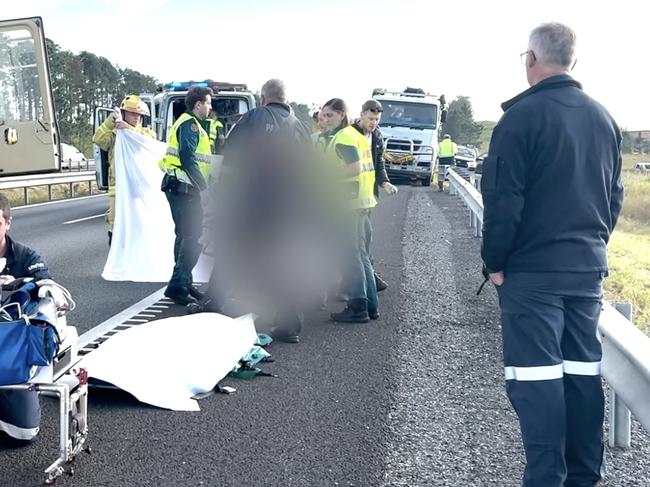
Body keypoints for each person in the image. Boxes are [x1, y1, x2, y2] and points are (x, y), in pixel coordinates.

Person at [481, 22, 624, 487]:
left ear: (530, 60)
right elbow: (613, 198)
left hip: (532, 276)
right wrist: (591, 249)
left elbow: (504, 202)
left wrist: (496, 264)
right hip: (586, 273)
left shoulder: (521, 118)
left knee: (537, 381)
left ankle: (545, 479)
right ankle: (584, 477)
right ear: (574, 62)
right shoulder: (603, 119)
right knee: (583, 379)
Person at [190, 79, 314, 344]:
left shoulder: (254, 118)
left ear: (263, 97)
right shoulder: (300, 127)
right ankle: (291, 323)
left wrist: (223, 194)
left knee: (231, 252)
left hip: (252, 202)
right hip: (287, 207)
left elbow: (232, 157)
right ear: (285, 97)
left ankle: (215, 302)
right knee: (282, 261)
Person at [320, 98, 378, 323]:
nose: (325, 120)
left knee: (350, 255)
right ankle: (371, 305)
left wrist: (326, 177)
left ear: (342, 115)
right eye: (323, 116)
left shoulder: (343, 137)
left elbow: (353, 168)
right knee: (361, 255)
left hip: (347, 202)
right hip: (362, 201)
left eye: (330, 116)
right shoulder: (358, 136)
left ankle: (357, 306)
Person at [0, 193, 50, 444]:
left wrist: (21, 287)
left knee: (23, 433)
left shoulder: (27, 257)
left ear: (7, 222)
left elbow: (48, 289)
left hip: (10, 353)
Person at [159, 86, 214, 306]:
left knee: (184, 236)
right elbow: (187, 157)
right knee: (194, 237)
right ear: (198, 104)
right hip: (184, 188)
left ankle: (184, 283)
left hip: (179, 187)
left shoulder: (189, 123)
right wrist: (204, 188)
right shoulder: (190, 125)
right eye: (208, 103)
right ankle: (178, 285)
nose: (210, 107)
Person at [92, 95, 156, 246]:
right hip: (118, 186)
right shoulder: (114, 134)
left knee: (139, 226)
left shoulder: (147, 133)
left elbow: (150, 141)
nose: (137, 117)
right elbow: (98, 139)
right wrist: (110, 122)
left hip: (138, 187)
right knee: (115, 228)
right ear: (124, 113)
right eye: (133, 113)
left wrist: (129, 129)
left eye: (139, 115)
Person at [352, 100, 398, 293]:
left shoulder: (377, 136)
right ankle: (365, 280)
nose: (373, 123)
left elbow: (378, 162)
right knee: (356, 241)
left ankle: (367, 276)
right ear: (362, 114)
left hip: (368, 196)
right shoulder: (350, 134)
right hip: (351, 195)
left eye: (377, 119)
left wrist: (384, 181)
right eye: (371, 118)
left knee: (365, 238)